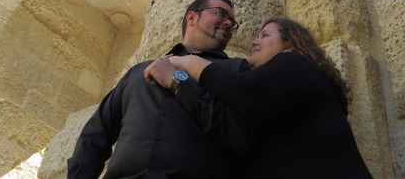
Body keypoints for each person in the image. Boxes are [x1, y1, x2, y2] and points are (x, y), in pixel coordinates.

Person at [159, 17, 373, 179]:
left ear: (291, 43)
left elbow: (242, 90)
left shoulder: (294, 64)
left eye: (264, 35)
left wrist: (185, 63)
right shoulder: (285, 94)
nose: (254, 41)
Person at [67, 0, 248, 179]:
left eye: (232, 22)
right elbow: (95, 135)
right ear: (192, 18)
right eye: (221, 13)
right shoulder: (138, 71)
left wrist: (178, 80)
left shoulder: (237, 70)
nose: (227, 23)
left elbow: (236, 132)